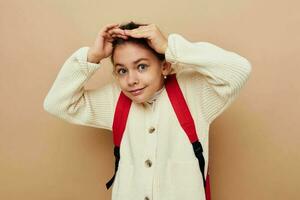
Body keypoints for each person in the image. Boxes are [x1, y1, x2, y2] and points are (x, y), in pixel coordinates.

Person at [43, 21, 252, 200]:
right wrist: (92, 57)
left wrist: (171, 47)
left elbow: (239, 70)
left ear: (165, 66)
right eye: (122, 70)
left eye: (142, 66)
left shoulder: (193, 94)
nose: (131, 80)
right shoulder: (116, 100)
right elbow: (57, 103)